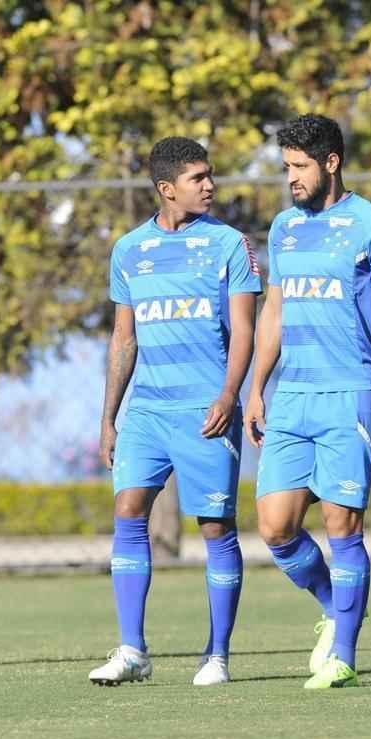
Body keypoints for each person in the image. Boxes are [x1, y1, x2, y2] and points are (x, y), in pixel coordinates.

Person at [244, 114, 371, 689]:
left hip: (351, 392)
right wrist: (256, 387)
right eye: (286, 167)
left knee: (342, 523)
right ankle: (334, 604)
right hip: (292, 395)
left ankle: (343, 652)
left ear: (331, 163)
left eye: (298, 167)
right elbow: (275, 311)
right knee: (274, 527)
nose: (290, 178)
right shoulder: (283, 228)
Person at [89, 137, 262, 686]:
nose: (209, 185)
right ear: (166, 189)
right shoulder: (128, 250)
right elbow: (123, 339)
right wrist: (108, 416)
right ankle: (132, 649)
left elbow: (245, 331)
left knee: (214, 527)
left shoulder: (230, 245)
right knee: (128, 509)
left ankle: (217, 655)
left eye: (210, 175)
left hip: (206, 409)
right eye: (197, 178)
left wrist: (229, 394)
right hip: (147, 411)